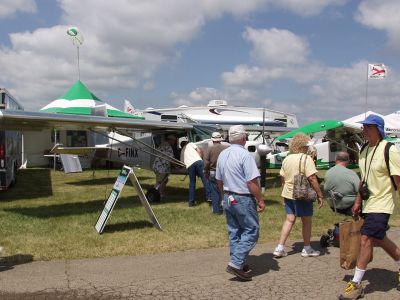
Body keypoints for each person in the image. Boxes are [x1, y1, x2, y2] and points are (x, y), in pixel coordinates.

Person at [339, 114, 400, 300]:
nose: (364, 130)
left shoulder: (389, 149)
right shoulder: (364, 149)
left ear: (378, 129)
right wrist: (358, 201)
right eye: (364, 127)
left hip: (383, 203)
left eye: (368, 127)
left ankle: (356, 284)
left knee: (366, 238)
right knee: (378, 238)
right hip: (368, 202)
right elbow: (363, 179)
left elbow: (398, 178)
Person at [216, 125, 265, 281]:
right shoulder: (245, 155)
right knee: (251, 230)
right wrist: (260, 199)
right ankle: (236, 263)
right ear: (244, 138)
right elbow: (251, 182)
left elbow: (219, 180)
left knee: (234, 231)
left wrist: (224, 195)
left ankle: (239, 262)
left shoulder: (223, 154)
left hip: (229, 196)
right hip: (242, 197)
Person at [273, 132, 324, 258]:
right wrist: (320, 194)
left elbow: (282, 177)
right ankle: (307, 248)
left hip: (288, 193)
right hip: (302, 193)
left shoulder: (287, 158)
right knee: (306, 220)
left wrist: (283, 193)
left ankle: (280, 247)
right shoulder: (306, 159)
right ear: (303, 146)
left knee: (290, 219)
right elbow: (312, 178)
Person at [323, 151, 360, 216]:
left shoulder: (328, 172)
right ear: (348, 161)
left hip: (333, 205)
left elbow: (325, 189)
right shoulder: (351, 173)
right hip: (348, 206)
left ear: (336, 160)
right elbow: (359, 190)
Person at [204, 132, 229, 214]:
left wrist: (206, 172)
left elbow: (206, 163)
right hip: (224, 172)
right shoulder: (226, 148)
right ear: (220, 139)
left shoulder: (209, 148)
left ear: (212, 140)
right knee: (225, 191)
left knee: (215, 192)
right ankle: (226, 210)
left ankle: (216, 210)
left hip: (213, 172)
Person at [180, 141, 211, 207]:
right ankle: (209, 197)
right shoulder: (190, 144)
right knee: (205, 180)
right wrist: (200, 158)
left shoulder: (182, 151)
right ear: (186, 143)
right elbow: (199, 151)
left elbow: (182, 163)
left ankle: (191, 202)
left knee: (192, 183)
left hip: (189, 165)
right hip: (198, 162)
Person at [152, 134, 177, 200]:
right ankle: (157, 195)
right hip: (162, 168)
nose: (174, 142)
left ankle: (159, 194)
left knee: (164, 181)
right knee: (160, 182)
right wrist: (177, 166)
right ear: (170, 140)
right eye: (174, 141)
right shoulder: (168, 147)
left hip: (157, 166)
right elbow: (171, 159)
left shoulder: (162, 144)